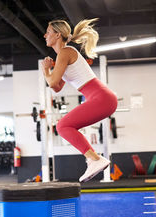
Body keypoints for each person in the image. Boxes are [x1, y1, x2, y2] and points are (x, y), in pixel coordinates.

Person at [41, 18, 118, 183]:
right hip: (102, 98)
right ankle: (93, 159)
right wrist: (48, 72)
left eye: (48, 32)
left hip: (101, 98)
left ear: (57, 35)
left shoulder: (66, 52)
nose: (44, 35)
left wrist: (46, 70)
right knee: (65, 126)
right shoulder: (63, 55)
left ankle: (95, 159)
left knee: (62, 126)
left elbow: (52, 81)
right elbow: (57, 87)